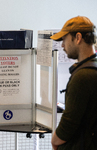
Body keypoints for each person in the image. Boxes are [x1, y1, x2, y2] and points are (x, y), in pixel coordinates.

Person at [50, 16, 97, 150]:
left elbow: (69, 123)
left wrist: (54, 140)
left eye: (64, 39)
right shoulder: (93, 68)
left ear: (78, 38)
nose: (63, 45)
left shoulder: (83, 76)